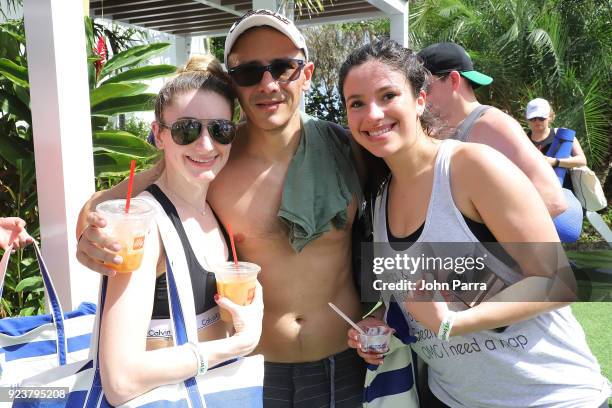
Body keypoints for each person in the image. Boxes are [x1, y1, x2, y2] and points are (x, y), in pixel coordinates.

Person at [76, 10, 365, 408]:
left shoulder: (349, 149)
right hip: (253, 369)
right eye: (248, 72)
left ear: (307, 73)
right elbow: (107, 207)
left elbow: (404, 207)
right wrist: (88, 237)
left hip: (343, 362)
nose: (268, 84)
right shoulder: (213, 160)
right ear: (233, 82)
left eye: (284, 68)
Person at [340, 39, 610, 408]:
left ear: (420, 100)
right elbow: (418, 296)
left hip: (546, 395)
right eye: (357, 103)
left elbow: (557, 281)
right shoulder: (379, 197)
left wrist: (452, 321)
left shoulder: (472, 167)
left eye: (388, 95)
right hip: (450, 397)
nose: (372, 114)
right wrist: (380, 320)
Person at [97, 55, 263, 406]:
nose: (206, 145)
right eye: (187, 130)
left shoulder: (212, 210)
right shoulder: (146, 224)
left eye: (220, 130)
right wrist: (234, 346)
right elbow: (119, 379)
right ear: (159, 135)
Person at [416, 42, 567, 217]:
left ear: (454, 80)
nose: (419, 93)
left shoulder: (492, 125)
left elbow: (553, 199)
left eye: (423, 85)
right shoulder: (434, 128)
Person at [525, 97, 587, 190]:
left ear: (550, 116)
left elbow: (582, 161)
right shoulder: (522, 139)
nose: (537, 121)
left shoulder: (564, 136)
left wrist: (555, 162)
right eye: (533, 118)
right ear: (527, 118)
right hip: (532, 194)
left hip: (563, 193)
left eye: (541, 118)